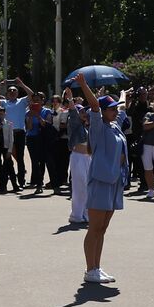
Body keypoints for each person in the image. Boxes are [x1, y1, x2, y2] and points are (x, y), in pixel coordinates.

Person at [73, 73, 126, 285]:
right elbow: (94, 106)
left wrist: (123, 95)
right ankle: (90, 269)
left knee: (102, 228)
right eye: (111, 108)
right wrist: (84, 85)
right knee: (94, 228)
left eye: (115, 108)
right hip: (100, 181)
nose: (115, 111)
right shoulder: (98, 126)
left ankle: (97, 266)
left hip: (115, 183)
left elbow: (122, 109)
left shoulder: (115, 126)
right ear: (103, 112)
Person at [63, 89, 91, 225]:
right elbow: (73, 113)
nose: (84, 113)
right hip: (78, 157)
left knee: (88, 186)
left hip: (87, 158)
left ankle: (86, 213)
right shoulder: (74, 123)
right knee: (80, 187)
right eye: (82, 111)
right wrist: (70, 99)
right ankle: (76, 215)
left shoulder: (86, 126)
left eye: (84, 111)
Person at [2, 77, 35, 187]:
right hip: (7, 132)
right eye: (10, 90)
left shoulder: (22, 101)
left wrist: (22, 84)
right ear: (6, 93)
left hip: (19, 132)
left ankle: (21, 180)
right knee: (7, 157)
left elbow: (32, 94)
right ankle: (6, 182)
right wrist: (1, 85)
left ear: (17, 92)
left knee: (20, 158)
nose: (12, 92)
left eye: (14, 90)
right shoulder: (4, 103)